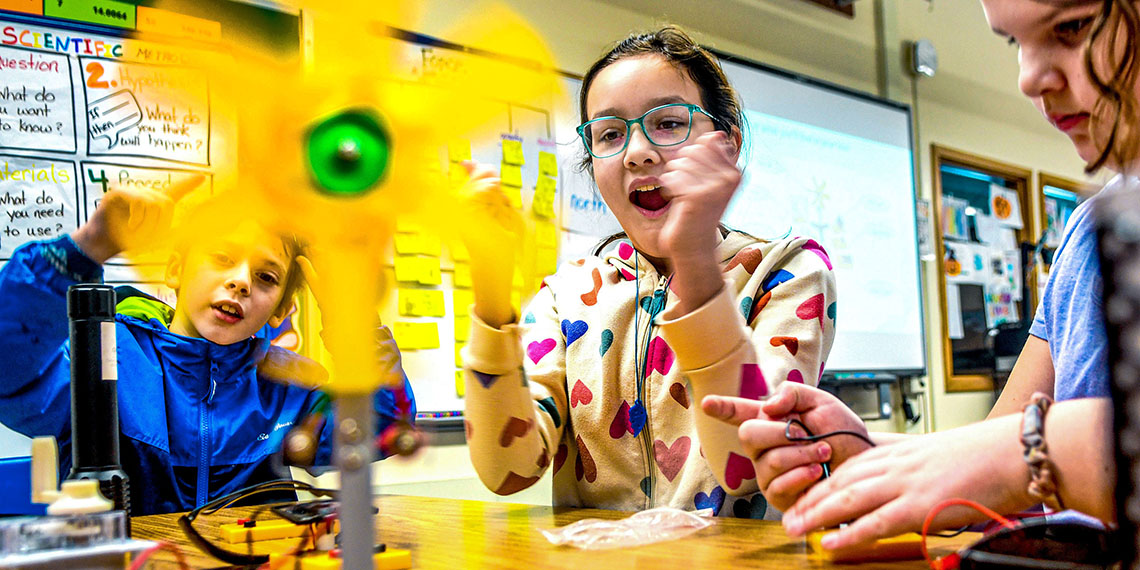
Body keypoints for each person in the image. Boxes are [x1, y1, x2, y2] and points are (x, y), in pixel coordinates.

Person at [703, 0, 1134, 548]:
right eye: (1014, 43)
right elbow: (994, 459)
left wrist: (1025, 455)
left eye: (1071, 27)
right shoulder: (1088, 229)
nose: (1028, 77)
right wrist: (874, 455)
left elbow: (1012, 457)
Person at [458, 26, 837, 517]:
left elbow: (749, 464)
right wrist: (490, 290)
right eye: (610, 134)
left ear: (728, 145)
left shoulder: (786, 273)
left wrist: (696, 261)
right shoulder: (568, 295)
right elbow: (506, 469)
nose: (637, 151)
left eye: (667, 123)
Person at [0, 179, 416, 515]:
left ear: (282, 310)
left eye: (267, 277)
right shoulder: (108, 360)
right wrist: (89, 246)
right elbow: (9, 372)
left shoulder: (288, 384)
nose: (241, 282)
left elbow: (382, 425)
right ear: (176, 269)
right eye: (221, 256)